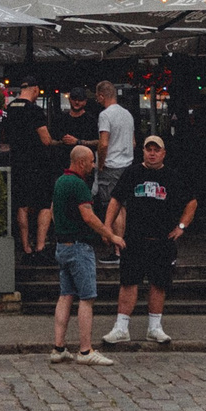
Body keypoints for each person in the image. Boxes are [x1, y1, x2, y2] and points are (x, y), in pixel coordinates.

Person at [102, 134, 194, 347]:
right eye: (148, 149)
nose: (152, 154)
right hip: (134, 239)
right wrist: (107, 227)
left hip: (162, 239)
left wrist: (181, 227)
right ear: (142, 151)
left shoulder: (172, 176)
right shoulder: (132, 173)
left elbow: (191, 203)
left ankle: (154, 327)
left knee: (158, 283)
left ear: (163, 153)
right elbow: (116, 200)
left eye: (156, 150)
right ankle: (121, 328)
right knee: (128, 282)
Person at [38, 143, 122, 366]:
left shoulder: (60, 181)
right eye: (92, 162)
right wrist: (110, 235)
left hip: (62, 246)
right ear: (82, 162)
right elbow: (88, 216)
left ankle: (59, 347)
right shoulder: (79, 185)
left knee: (65, 295)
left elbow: (53, 210)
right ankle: (85, 350)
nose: (93, 166)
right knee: (87, 298)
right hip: (79, 247)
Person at [0, 85, 54, 255]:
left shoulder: (9, 108)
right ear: (35, 89)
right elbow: (46, 140)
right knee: (44, 204)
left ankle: (26, 246)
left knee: (22, 205)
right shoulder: (34, 110)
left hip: (17, 162)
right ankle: (40, 246)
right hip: (37, 164)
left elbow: (3, 136)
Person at [91, 81, 137, 206]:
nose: (97, 100)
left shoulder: (105, 115)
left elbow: (104, 143)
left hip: (111, 166)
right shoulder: (128, 114)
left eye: (97, 97)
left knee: (111, 204)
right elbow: (133, 142)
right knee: (124, 204)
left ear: (101, 96)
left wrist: (100, 165)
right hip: (127, 166)